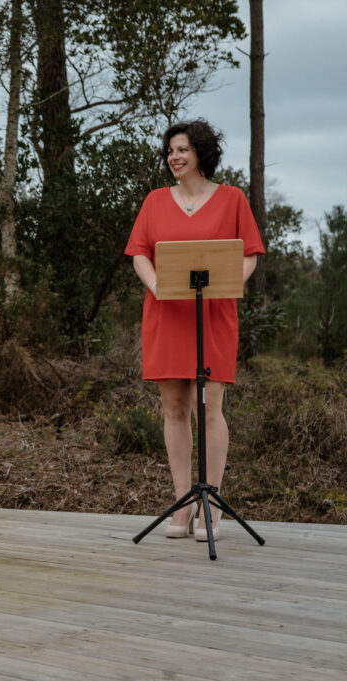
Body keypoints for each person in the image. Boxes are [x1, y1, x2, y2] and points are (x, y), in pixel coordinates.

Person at [124, 120, 264, 541]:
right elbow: (138, 253)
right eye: (170, 151)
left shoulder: (232, 199)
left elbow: (250, 253)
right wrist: (157, 286)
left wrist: (230, 283)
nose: (174, 157)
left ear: (201, 152)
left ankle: (213, 504)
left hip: (213, 315)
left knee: (210, 406)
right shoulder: (153, 202)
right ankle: (184, 502)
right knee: (174, 408)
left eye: (182, 149)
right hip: (167, 315)